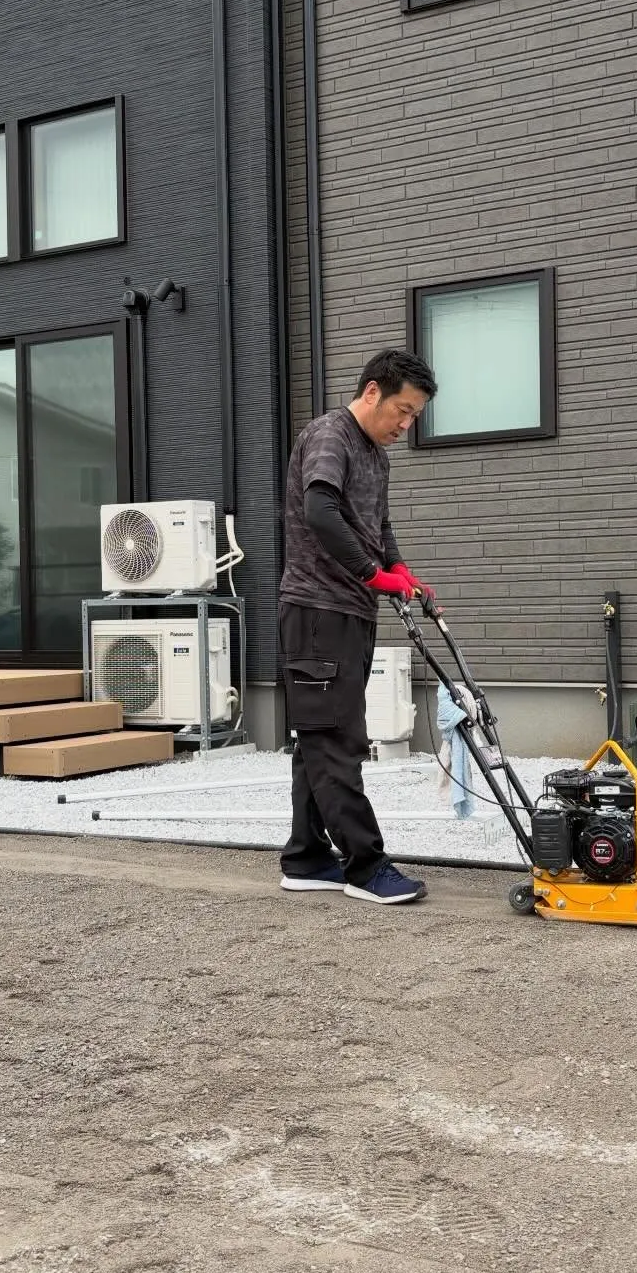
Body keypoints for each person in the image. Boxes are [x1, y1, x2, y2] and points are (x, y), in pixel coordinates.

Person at [277, 348, 438, 904]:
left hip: (349, 609)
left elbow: (377, 523)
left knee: (318, 738)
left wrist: (399, 571)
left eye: (414, 415)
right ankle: (366, 867)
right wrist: (373, 574)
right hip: (318, 609)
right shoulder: (332, 436)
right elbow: (321, 511)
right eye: (402, 410)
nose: (406, 423)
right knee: (337, 740)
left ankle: (306, 857)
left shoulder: (375, 455)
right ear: (372, 391)